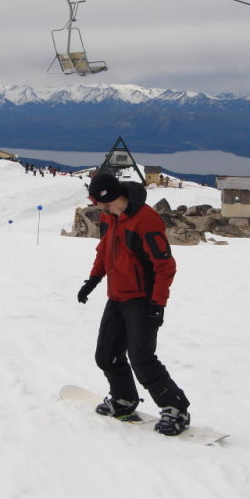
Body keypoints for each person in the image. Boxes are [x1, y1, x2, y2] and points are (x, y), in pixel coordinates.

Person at [77, 173, 190, 436]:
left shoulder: (146, 219)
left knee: (142, 359)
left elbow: (165, 266)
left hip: (142, 300)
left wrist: (157, 304)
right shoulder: (109, 216)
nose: (97, 208)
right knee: (106, 356)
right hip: (116, 297)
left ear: (110, 197)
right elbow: (104, 250)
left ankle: (176, 409)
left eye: (99, 202)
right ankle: (123, 399)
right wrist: (93, 280)